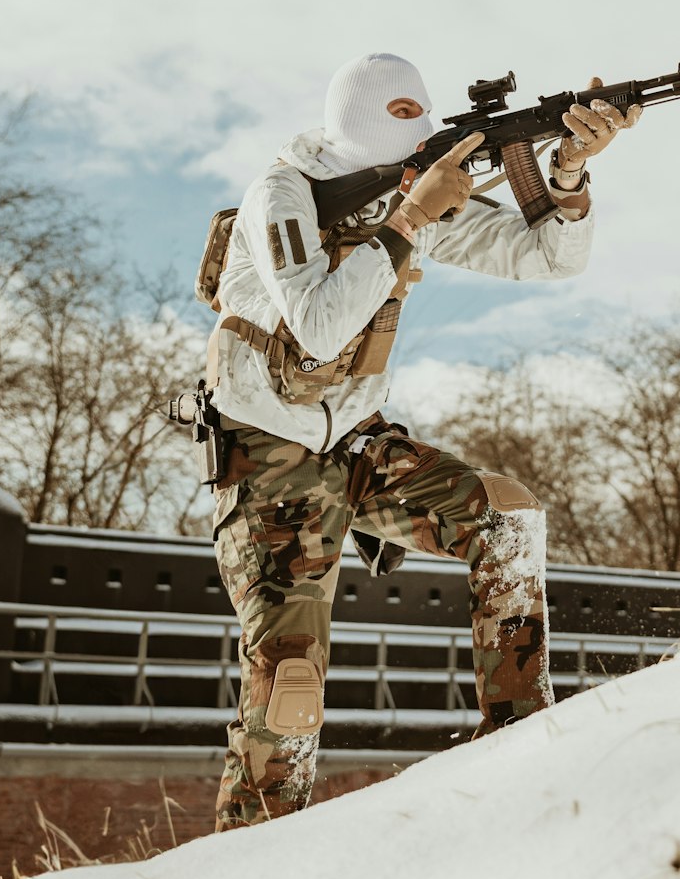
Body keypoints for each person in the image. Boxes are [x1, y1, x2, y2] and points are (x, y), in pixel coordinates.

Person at [207, 52, 641, 830]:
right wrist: (411, 220)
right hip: (266, 452)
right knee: (290, 684)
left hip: (358, 443)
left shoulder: (413, 187)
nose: (416, 126)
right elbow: (318, 324)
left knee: (505, 518)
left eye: (421, 112)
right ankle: (250, 863)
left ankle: (521, 739)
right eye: (398, 114)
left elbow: (548, 258)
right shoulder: (282, 193)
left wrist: (567, 173)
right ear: (356, 123)